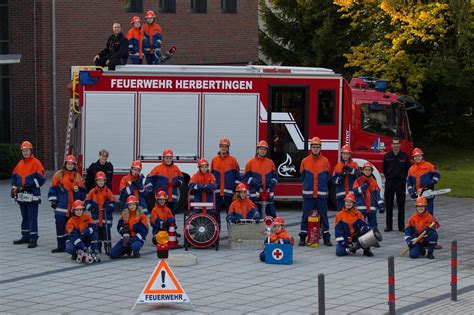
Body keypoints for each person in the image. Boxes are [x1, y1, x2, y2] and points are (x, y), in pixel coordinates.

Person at [10, 141, 46, 248]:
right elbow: (14, 178)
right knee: (24, 216)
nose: (25, 153)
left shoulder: (36, 163)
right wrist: (14, 189)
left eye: (27, 151)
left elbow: (42, 179)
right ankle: (25, 236)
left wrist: (30, 185)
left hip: (32, 195)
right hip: (21, 195)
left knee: (32, 217)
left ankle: (33, 238)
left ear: (31, 151)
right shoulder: (19, 164)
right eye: (23, 151)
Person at [48, 155, 86, 253]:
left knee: (72, 228)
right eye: (68, 164)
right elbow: (53, 189)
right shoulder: (59, 175)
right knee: (60, 228)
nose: (70, 165)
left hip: (74, 209)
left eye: (72, 164)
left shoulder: (77, 176)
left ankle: (71, 245)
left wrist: (80, 200)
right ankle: (61, 246)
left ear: (74, 165)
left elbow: (82, 192)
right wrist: (53, 201)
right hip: (61, 208)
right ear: (65, 164)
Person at [299, 137, 332, 247]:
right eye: (314, 147)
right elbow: (302, 177)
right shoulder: (304, 161)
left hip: (321, 195)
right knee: (305, 216)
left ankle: (326, 238)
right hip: (308, 195)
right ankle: (303, 237)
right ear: (311, 148)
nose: (316, 149)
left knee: (324, 217)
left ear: (320, 148)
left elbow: (328, 177)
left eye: (317, 147)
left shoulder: (325, 161)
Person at [243, 140, 278, 217]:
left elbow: (275, 176)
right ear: (257, 150)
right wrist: (255, 182)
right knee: (255, 216)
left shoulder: (270, 162)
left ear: (266, 151)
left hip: (268, 194)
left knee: (272, 217)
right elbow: (245, 178)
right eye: (261, 149)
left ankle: (271, 229)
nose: (262, 151)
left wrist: (272, 182)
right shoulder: (250, 163)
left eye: (264, 149)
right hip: (255, 194)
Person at [383, 138, 411, 232]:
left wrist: (402, 177)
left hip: (400, 182)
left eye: (397, 143)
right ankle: (389, 226)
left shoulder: (404, 156)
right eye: (394, 144)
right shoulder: (387, 156)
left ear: (400, 145)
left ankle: (401, 226)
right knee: (389, 205)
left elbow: (408, 169)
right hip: (390, 182)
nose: (395, 145)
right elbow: (384, 169)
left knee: (401, 205)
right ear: (391, 145)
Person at [145, 148, 184, 214]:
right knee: (161, 214)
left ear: (172, 158)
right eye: (166, 158)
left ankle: (172, 224)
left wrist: (179, 183)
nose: (168, 160)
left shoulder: (176, 168)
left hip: (173, 198)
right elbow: (149, 178)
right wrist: (150, 185)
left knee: (171, 215)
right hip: (161, 198)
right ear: (163, 158)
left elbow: (181, 179)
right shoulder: (157, 168)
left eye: (170, 158)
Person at [84, 171, 115, 254]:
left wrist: (109, 206)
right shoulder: (92, 192)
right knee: (97, 234)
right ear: (96, 181)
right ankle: (97, 248)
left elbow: (113, 202)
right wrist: (91, 207)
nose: (101, 182)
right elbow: (86, 202)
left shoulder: (108, 191)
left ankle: (108, 248)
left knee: (107, 235)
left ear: (105, 181)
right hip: (96, 218)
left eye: (102, 180)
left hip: (106, 218)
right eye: (99, 180)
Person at [334, 192, 374, 257]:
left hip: (356, 237)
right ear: (344, 202)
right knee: (340, 253)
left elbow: (366, 224)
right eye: (347, 202)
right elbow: (338, 230)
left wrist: (364, 228)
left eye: (350, 202)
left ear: (353, 204)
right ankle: (352, 248)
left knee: (367, 233)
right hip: (345, 238)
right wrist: (342, 241)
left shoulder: (358, 214)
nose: (348, 204)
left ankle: (366, 250)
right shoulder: (339, 215)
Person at [210, 137, 241, 216]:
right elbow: (211, 176)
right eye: (222, 146)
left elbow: (237, 177)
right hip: (217, 191)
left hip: (229, 192)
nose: (224, 148)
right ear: (219, 147)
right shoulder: (214, 160)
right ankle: (217, 228)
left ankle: (230, 228)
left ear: (228, 148)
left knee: (230, 213)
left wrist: (235, 189)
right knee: (215, 213)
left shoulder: (233, 160)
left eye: (225, 147)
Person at [407, 147, 440, 215]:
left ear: (422, 156)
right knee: (419, 214)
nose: (417, 158)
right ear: (413, 157)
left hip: (428, 193)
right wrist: (411, 192)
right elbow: (409, 183)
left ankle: (430, 225)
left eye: (419, 156)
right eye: (415, 156)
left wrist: (432, 182)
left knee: (429, 213)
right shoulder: (411, 169)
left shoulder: (428, 165)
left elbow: (437, 174)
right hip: (418, 195)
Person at [353, 162, 385, 229]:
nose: (367, 171)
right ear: (362, 170)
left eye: (369, 170)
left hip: (371, 208)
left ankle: (372, 239)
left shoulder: (373, 182)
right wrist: (363, 187)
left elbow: (377, 195)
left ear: (371, 171)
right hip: (361, 208)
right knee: (360, 227)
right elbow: (355, 192)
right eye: (366, 170)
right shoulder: (358, 181)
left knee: (373, 227)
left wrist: (381, 205)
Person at [332, 145, 360, 211]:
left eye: (347, 154)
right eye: (344, 154)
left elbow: (358, 176)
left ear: (350, 154)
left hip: (351, 195)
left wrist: (351, 170)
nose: (345, 155)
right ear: (341, 154)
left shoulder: (354, 164)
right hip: (341, 196)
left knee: (352, 214)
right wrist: (340, 178)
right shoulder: (338, 166)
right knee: (341, 214)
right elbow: (333, 180)